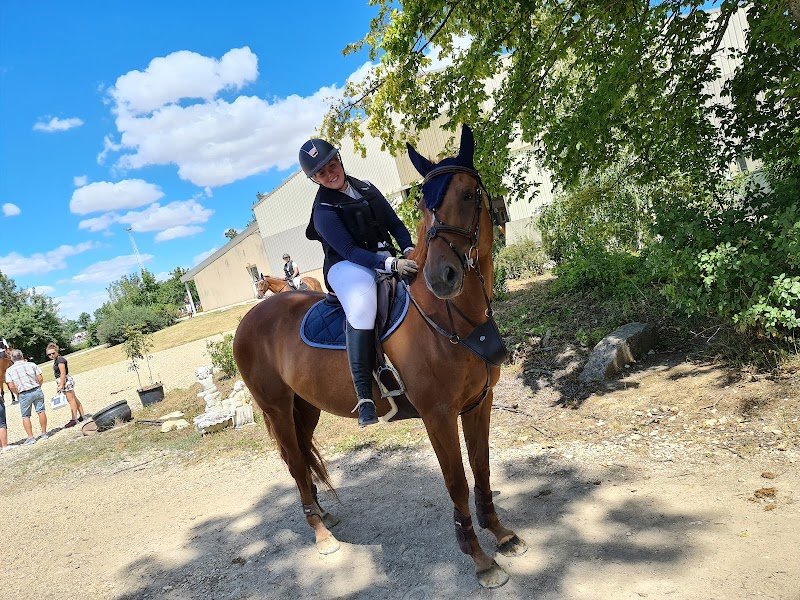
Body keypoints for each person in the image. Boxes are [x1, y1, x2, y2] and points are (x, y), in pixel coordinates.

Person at [301, 138, 418, 427]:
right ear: (315, 179)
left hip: (386, 257)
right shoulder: (323, 211)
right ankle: (364, 394)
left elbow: (395, 223)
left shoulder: (366, 187)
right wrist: (390, 264)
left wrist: (408, 248)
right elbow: (351, 251)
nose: (330, 174)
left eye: (332, 165)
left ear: (339, 160)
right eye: (321, 173)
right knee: (363, 303)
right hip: (346, 265)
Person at [4, 349, 48, 445]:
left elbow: (11, 386)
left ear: (12, 358)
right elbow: (40, 378)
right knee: (41, 411)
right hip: (36, 389)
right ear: (22, 356)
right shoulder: (31, 364)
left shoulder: (9, 370)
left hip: (23, 393)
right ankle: (44, 433)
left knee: (25, 416)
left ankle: (31, 437)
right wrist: (38, 386)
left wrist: (17, 394)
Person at [46, 342, 87, 428]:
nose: (51, 355)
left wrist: (61, 384)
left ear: (57, 351)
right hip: (64, 380)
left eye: (53, 353)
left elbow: (63, 372)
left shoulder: (60, 360)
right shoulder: (57, 360)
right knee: (74, 399)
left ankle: (74, 419)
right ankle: (83, 416)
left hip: (65, 381)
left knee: (71, 400)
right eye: (49, 354)